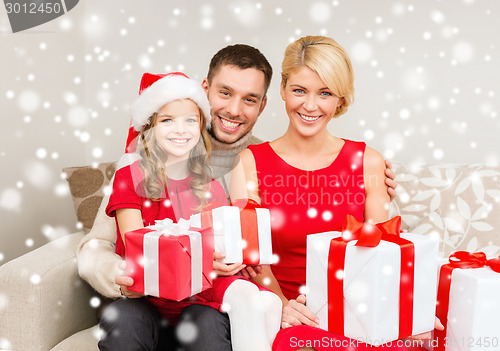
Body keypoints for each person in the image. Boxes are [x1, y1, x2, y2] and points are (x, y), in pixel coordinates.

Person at [77, 44, 398, 350]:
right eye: (225, 93)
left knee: (212, 325)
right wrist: (126, 280)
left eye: (249, 99)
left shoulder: (252, 161)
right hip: (145, 301)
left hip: (208, 306)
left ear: (264, 105)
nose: (233, 109)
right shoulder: (141, 164)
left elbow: (370, 232)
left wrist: (381, 188)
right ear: (203, 90)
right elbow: (99, 245)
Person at [230, 36, 441, 350]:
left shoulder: (368, 161)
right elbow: (253, 261)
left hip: (359, 316)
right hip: (292, 315)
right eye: (299, 90)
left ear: (340, 100)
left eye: (325, 93)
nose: (310, 105)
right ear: (283, 90)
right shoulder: (249, 164)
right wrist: (284, 305)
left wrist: (411, 313)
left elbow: (378, 257)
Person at [100, 71, 281, 351]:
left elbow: (215, 253)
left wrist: (228, 261)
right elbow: (142, 250)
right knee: (124, 317)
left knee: (209, 321)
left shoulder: (210, 188)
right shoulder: (129, 178)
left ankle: (256, 308)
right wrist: (201, 263)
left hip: (196, 305)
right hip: (145, 300)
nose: (180, 129)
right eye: (168, 120)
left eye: (190, 120)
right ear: (150, 126)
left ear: (201, 126)